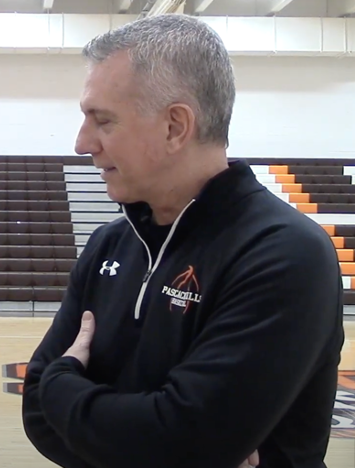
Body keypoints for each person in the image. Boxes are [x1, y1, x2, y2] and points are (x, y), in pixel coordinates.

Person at [22, 14, 344, 468]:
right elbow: (37, 412)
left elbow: (182, 442)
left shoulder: (285, 255)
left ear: (175, 126)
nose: (81, 143)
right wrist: (144, 433)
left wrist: (62, 384)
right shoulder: (108, 245)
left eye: (104, 121)